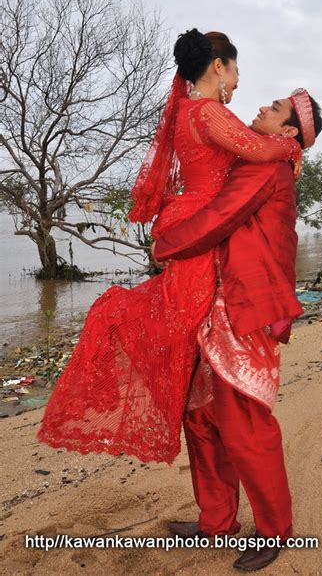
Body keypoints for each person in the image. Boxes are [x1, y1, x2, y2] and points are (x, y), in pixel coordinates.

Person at [36, 29, 302, 469]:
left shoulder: (190, 109)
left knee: (188, 337)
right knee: (182, 329)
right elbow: (257, 149)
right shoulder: (208, 112)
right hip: (200, 227)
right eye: (236, 71)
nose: (238, 82)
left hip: (195, 223)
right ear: (219, 67)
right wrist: (295, 144)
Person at [151, 90, 322, 571]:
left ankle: (275, 530)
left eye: (275, 110)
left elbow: (219, 217)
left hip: (245, 309)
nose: (263, 108)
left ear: (289, 133)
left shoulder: (266, 168)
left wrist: (166, 244)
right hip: (220, 304)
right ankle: (217, 521)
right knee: (202, 419)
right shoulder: (263, 159)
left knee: (245, 426)